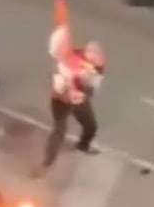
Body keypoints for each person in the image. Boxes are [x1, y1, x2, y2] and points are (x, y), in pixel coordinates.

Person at [36, 41, 104, 176]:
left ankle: (83, 145)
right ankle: (46, 163)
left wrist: (84, 90)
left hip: (79, 100)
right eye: (92, 57)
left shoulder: (97, 67)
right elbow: (58, 85)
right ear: (86, 53)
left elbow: (93, 88)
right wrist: (68, 91)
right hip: (61, 102)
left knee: (91, 126)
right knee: (59, 132)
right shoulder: (70, 61)